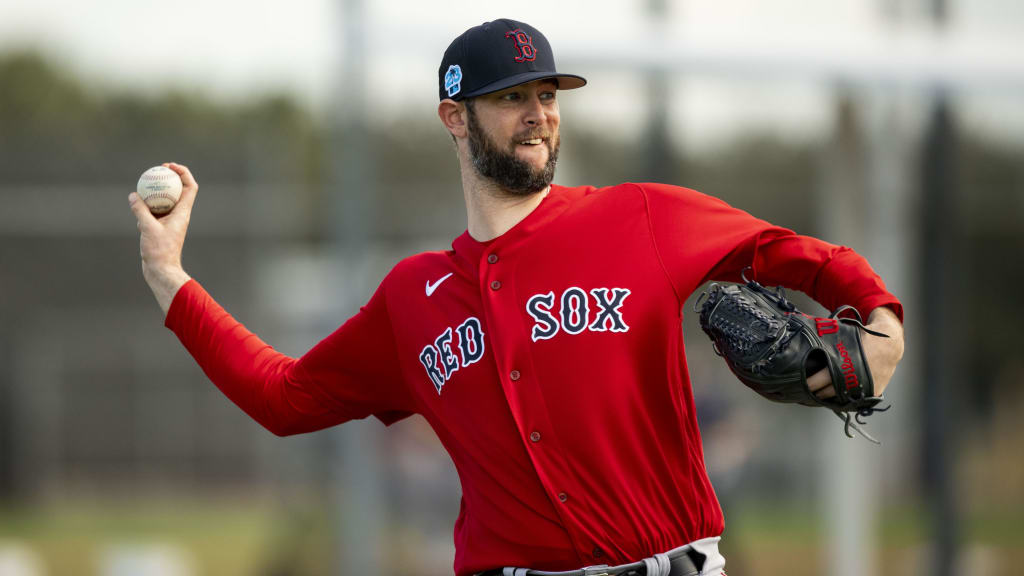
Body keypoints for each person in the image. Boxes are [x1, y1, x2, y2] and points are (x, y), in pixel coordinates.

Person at [128, 18, 904, 576]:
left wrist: (880, 321)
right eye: (511, 98)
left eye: (548, 93)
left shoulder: (636, 216)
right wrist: (170, 278)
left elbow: (789, 253)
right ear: (455, 119)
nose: (538, 113)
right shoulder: (413, 297)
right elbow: (284, 397)